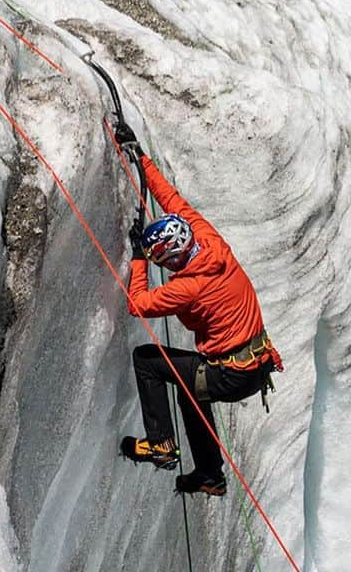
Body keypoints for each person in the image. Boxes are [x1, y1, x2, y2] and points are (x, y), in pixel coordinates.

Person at [115, 122, 282, 497]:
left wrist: (139, 262)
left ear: (173, 258)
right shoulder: (208, 241)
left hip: (231, 374)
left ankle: (161, 445)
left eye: (164, 261)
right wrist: (140, 157)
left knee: (147, 360)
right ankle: (210, 475)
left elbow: (136, 304)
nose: (166, 267)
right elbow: (173, 201)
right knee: (192, 389)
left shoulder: (189, 287)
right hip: (256, 364)